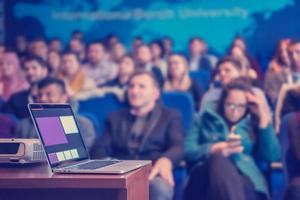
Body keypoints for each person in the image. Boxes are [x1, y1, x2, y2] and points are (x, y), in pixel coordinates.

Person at [184, 80, 280, 200]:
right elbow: (187, 151)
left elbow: (271, 156)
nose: (235, 110)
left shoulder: (252, 124)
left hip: (244, 178)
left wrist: (264, 119)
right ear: (222, 103)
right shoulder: (205, 119)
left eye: (241, 106)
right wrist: (214, 149)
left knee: (239, 183)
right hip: (205, 178)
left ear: (248, 107)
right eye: (230, 105)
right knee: (218, 160)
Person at [97, 71, 184, 200]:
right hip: (119, 173)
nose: (134, 91)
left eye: (141, 86)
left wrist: (166, 159)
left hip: (151, 173)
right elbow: (100, 149)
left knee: (160, 188)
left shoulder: (170, 116)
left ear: (155, 93)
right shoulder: (115, 117)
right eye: (131, 86)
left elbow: (177, 146)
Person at [13, 77, 96, 152]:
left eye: (49, 95)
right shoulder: (23, 125)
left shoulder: (83, 125)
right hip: (31, 168)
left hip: (68, 168)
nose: (42, 99)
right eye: (39, 95)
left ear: (63, 98)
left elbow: (81, 156)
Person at [264, 39, 291, 107]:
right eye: (281, 51)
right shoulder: (272, 73)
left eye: (287, 50)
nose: (284, 54)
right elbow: (273, 99)